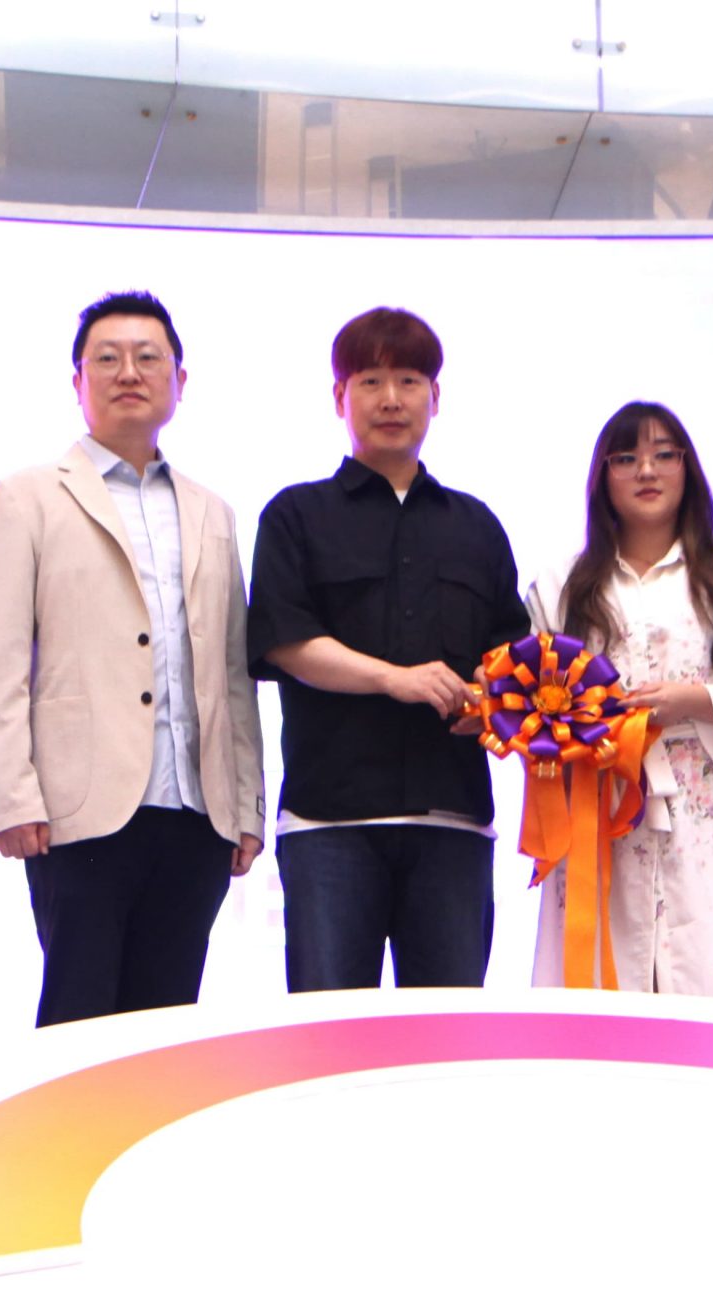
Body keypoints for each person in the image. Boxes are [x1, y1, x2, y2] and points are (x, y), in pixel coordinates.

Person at [0, 289, 263, 1026]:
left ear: (179, 380)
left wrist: (246, 803)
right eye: (107, 358)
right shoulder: (27, 498)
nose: (128, 372)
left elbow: (231, 674)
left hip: (196, 812)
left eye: (147, 357)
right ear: (78, 381)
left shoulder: (213, 511)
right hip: (80, 812)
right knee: (79, 1020)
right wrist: (11, 798)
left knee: (166, 1027)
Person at [247, 307, 522, 992]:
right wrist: (394, 679)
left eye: (409, 380)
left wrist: (490, 705)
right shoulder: (295, 516)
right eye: (370, 381)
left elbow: (512, 661)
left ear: (436, 396)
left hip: (454, 821)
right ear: (339, 397)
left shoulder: (478, 526)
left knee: (448, 1034)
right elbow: (286, 642)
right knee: (328, 1034)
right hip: (330, 822)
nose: (391, 399)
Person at [525, 401, 713, 998]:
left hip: (704, 804)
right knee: (602, 981)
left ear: (686, 468)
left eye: (662, 455)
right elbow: (534, 698)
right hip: (600, 807)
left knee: (711, 980)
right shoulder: (562, 585)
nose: (646, 471)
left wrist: (693, 700)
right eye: (626, 458)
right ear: (603, 476)